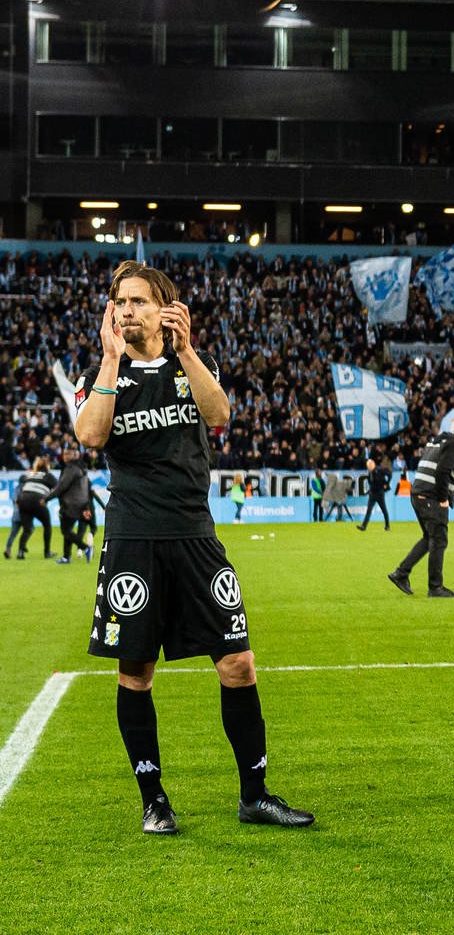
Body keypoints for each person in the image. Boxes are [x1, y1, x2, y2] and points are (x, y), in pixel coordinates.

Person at [76, 260, 313, 834]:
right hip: (134, 540)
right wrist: (111, 358)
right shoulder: (100, 372)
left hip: (196, 537)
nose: (128, 310)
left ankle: (254, 794)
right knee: (136, 673)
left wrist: (188, 352)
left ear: (165, 309)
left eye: (138, 301)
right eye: (120, 302)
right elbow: (89, 435)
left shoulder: (190, 365)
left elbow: (221, 415)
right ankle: (153, 800)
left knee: (238, 663)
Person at [391, 422, 454, 598]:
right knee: (439, 540)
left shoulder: (439, 440)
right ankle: (435, 587)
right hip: (431, 497)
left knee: (430, 538)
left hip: (418, 494)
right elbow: (443, 471)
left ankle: (401, 573)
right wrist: (443, 499)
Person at [53, 451, 101, 565]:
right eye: (64, 455)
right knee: (73, 529)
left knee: (68, 530)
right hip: (82, 505)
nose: (66, 457)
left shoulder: (72, 471)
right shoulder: (79, 471)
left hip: (74, 506)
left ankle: (84, 548)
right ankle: (68, 556)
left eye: (68, 455)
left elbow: (61, 488)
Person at [7, 456, 56, 559]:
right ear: (47, 466)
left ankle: (20, 553)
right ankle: (47, 552)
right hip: (37, 500)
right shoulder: (48, 476)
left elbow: (23, 487)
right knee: (47, 526)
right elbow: (58, 489)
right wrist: (46, 499)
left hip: (23, 501)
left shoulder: (30, 474)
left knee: (27, 529)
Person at [359, 456, 391, 531]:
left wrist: (387, 483)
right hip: (372, 493)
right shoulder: (370, 473)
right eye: (367, 466)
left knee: (384, 510)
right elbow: (370, 482)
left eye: (369, 466)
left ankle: (387, 526)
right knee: (368, 511)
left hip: (380, 493)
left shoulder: (380, 469)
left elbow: (389, 474)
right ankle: (363, 526)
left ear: (373, 464)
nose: (368, 467)